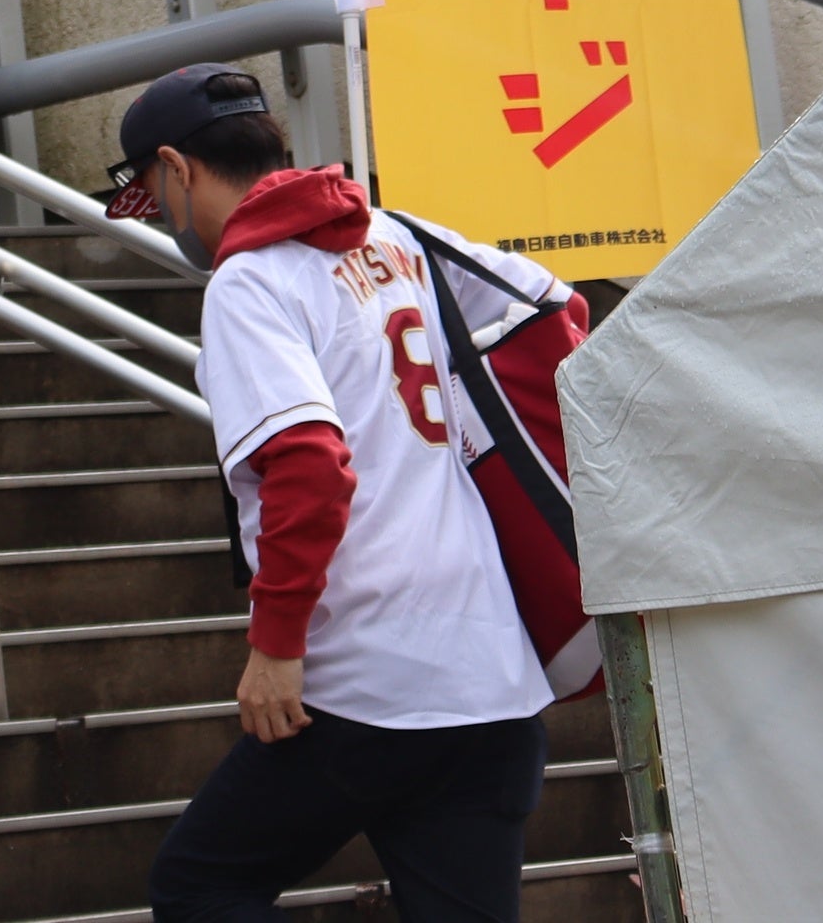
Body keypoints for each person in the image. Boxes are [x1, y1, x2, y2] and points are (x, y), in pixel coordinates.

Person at [116, 67, 568, 923]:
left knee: (199, 883)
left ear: (176, 168)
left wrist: (276, 642)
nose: (162, 212)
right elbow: (554, 309)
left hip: (364, 681)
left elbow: (310, 467)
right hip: (491, 681)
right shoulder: (398, 236)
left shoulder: (250, 282)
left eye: (149, 190)